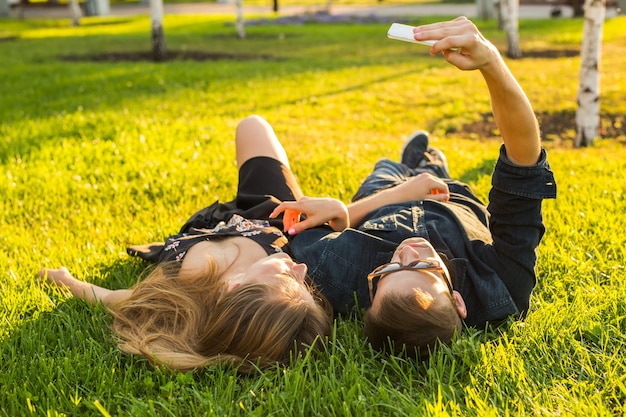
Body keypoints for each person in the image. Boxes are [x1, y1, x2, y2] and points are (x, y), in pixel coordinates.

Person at [272, 17, 557, 359]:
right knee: (438, 174)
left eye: (390, 269)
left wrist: (351, 211)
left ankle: (409, 164)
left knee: (384, 169)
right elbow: (522, 161)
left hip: (380, 204)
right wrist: (492, 62)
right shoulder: (503, 285)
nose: (407, 251)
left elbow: (291, 236)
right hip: (451, 200)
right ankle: (430, 162)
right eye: (422, 267)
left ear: (371, 292)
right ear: (458, 301)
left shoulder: (338, 273)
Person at [39, 115, 337, 374]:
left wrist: (67, 281)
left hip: (206, 227)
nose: (302, 269)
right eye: (306, 286)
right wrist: (340, 215)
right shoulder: (295, 263)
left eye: (291, 278)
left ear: (234, 288)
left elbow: (113, 297)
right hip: (268, 211)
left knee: (252, 125)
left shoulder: (188, 291)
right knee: (252, 125)